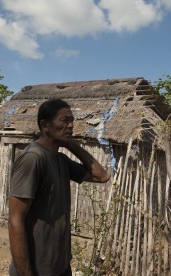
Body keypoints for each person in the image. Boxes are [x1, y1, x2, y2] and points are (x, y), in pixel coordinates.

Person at [8, 99, 110, 276]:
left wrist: (70, 144)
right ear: (45, 125)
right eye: (64, 121)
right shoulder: (33, 158)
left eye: (72, 121)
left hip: (60, 266)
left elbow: (101, 176)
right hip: (37, 269)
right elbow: (15, 221)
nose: (71, 125)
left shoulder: (61, 160)